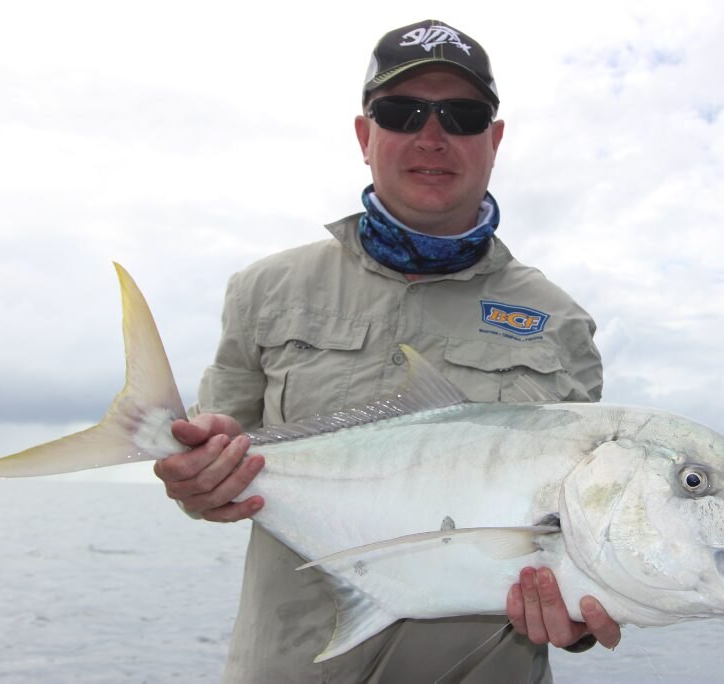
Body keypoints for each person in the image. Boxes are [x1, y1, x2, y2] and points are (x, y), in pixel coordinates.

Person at [154, 19, 621, 683]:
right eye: (403, 112)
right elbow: (206, 470)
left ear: (495, 140)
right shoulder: (266, 291)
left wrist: (577, 619)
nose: (433, 136)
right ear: (364, 135)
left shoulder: (559, 321)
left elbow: (578, 533)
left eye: (463, 116)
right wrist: (196, 478)